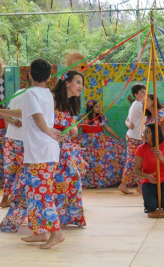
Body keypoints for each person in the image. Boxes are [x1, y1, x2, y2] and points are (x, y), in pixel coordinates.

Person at [0, 58, 66, 249]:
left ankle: (56, 233)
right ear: (49, 77)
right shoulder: (45, 93)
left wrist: (50, 132)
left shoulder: (31, 93)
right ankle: (40, 232)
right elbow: (26, 113)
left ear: (29, 75)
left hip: (42, 152)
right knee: (32, 192)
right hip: (37, 152)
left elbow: (38, 118)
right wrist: (0, 111)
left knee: (42, 193)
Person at [51, 70, 88, 227]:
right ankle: (50, 217)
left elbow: (74, 131)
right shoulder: (52, 99)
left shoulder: (70, 105)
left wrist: (68, 126)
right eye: (78, 82)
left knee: (72, 180)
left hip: (63, 148)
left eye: (82, 84)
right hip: (49, 147)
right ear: (67, 82)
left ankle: (65, 217)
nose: (81, 87)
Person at [72, 99, 125, 188]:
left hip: (100, 143)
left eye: (99, 106)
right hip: (87, 143)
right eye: (96, 107)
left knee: (100, 163)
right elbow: (76, 129)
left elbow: (108, 129)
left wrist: (118, 138)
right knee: (89, 162)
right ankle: (89, 182)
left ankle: (100, 182)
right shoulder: (83, 117)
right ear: (91, 108)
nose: (98, 108)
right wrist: (70, 138)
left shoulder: (101, 117)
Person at [0, 75, 30, 208]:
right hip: (23, 139)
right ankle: (14, 200)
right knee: (24, 170)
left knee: (11, 170)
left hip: (11, 137)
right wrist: (14, 121)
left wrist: (13, 122)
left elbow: (7, 114)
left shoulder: (19, 92)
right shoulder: (33, 94)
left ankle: (6, 199)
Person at [135, 123, 164, 214]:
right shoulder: (141, 149)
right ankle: (153, 199)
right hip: (149, 182)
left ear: (155, 133)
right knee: (151, 207)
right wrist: (147, 176)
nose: (144, 135)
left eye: (147, 132)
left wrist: (163, 159)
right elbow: (137, 170)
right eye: (144, 132)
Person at [118, 83, 146, 194]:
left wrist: (129, 124)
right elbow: (150, 114)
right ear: (136, 94)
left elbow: (127, 120)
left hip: (135, 137)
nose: (144, 94)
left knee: (139, 162)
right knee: (132, 162)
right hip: (135, 138)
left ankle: (139, 185)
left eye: (145, 92)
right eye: (142, 92)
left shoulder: (135, 104)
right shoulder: (138, 105)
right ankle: (123, 184)